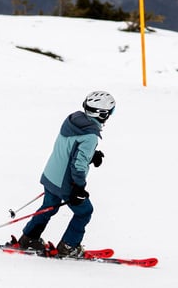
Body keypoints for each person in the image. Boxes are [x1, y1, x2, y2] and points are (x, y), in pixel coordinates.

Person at [17, 91, 116, 258]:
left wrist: (91, 155)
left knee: (48, 207)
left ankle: (28, 239)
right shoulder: (90, 136)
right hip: (65, 182)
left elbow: (70, 148)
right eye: (111, 112)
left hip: (51, 175)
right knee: (84, 211)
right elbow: (78, 165)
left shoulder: (72, 121)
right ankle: (68, 246)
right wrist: (78, 187)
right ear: (103, 114)